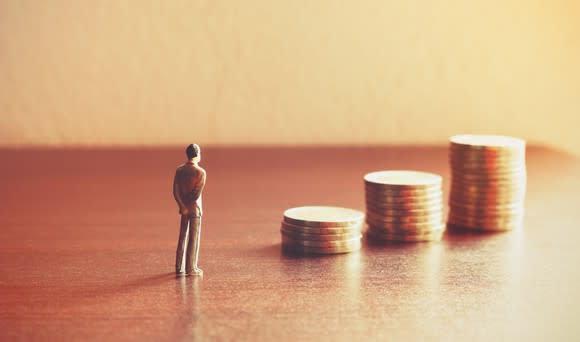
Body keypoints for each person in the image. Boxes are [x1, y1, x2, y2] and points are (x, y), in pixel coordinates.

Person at [173, 144, 206, 276]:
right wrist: (189, 205)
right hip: (194, 210)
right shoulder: (200, 172)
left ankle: (179, 266)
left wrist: (182, 206)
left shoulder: (179, 170)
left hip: (184, 209)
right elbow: (196, 194)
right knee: (193, 238)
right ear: (197, 154)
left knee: (182, 237)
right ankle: (191, 268)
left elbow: (175, 191)